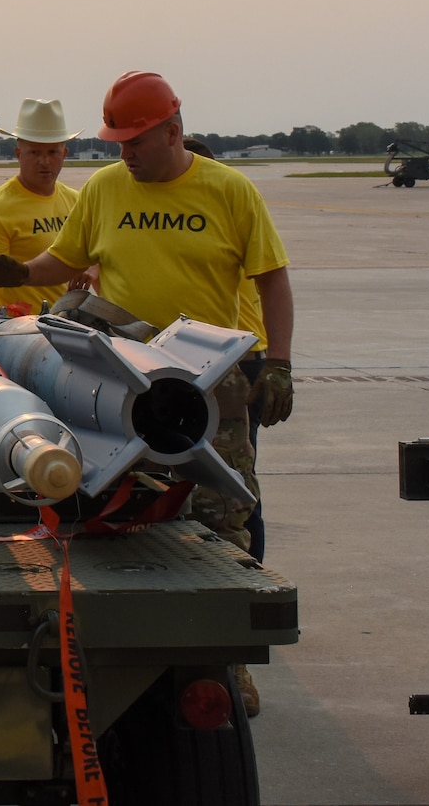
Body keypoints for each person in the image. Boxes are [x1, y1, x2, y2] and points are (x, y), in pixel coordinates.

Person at [0, 72, 293, 716]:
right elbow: (64, 261)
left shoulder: (229, 191)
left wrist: (278, 363)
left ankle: (224, 662)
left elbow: (273, 282)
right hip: (119, 376)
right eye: (117, 141)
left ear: (172, 131)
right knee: (114, 513)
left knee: (221, 519)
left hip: (208, 382)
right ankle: (116, 649)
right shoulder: (106, 190)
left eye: (135, 141)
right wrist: (16, 273)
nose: (125, 154)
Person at [183, 138, 294, 564]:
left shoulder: (228, 213)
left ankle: (249, 568)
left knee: (235, 483)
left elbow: (273, 286)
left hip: (242, 364)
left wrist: (276, 365)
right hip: (220, 360)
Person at [0, 99, 83, 315]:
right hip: (18, 337)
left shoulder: (77, 201)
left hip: (66, 328)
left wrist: (88, 268)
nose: (44, 162)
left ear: (65, 154)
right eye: (35, 153)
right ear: (19, 154)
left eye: (52, 153)